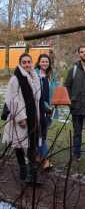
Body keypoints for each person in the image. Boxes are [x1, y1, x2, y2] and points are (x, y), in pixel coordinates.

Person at [2, 53, 42, 183]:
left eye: (29, 62)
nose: (27, 64)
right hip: (21, 116)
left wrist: (35, 78)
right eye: (24, 62)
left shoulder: (32, 77)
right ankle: (23, 169)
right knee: (18, 144)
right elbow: (12, 99)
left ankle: (31, 174)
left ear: (32, 63)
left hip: (32, 116)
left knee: (31, 144)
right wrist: (20, 118)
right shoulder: (16, 78)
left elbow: (37, 96)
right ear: (20, 63)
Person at [65, 46, 85, 161]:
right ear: (79, 54)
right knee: (77, 133)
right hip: (76, 108)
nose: (84, 53)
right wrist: (70, 102)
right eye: (81, 52)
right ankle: (76, 154)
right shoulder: (73, 70)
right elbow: (67, 87)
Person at [35, 54, 58, 170]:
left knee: (42, 134)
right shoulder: (34, 75)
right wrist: (44, 106)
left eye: (46, 61)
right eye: (42, 61)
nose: (44, 63)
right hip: (38, 110)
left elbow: (56, 91)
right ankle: (46, 160)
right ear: (39, 63)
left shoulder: (51, 76)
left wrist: (54, 105)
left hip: (50, 110)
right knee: (41, 135)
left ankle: (38, 156)